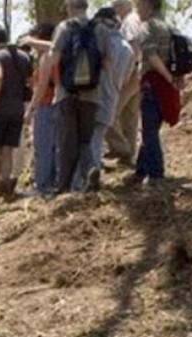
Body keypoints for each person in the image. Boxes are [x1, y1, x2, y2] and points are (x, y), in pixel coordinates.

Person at [50, 0, 111, 193]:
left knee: (67, 141)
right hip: (91, 94)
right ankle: (91, 171)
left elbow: (54, 59)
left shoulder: (64, 27)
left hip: (67, 94)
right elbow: (107, 64)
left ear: (69, 7)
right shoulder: (101, 29)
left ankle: (64, 187)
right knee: (85, 139)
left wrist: (60, 85)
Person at [80, 8, 136, 190]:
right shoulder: (128, 49)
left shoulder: (95, 41)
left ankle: (86, 175)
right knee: (97, 136)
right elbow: (127, 79)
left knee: (86, 138)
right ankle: (92, 171)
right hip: (112, 97)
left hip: (89, 95)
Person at [131, 0, 178, 185]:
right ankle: (140, 171)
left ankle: (156, 174)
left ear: (147, 5)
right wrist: (174, 78)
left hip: (154, 83)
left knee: (149, 132)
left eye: (138, 6)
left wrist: (167, 77)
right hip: (167, 85)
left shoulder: (148, 27)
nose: (137, 11)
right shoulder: (169, 25)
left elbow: (151, 56)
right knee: (152, 130)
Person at [0, 25, 34, 198]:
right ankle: (6, 180)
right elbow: (30, 82)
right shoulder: (24, 56)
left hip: (0, 107)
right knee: (8, 148)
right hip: (17, 107)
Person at [105, 0, 144, 165]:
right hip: (140, 73)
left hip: (133, 73)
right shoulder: (137, 19)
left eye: (116, 7)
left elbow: (134, 47)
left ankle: (122, 149)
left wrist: (126, 75)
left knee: (108, 113)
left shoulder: (130, 21)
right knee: (129, 115)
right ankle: (128, 156)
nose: (115, 11)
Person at [24, 23, 60, 196]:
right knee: (55, 147)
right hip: (60, 105)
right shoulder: (60, 55)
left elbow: (42, 86)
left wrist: (31, 109)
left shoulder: (46, 57)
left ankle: (43, 185)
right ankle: (54, 182)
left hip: (46, 105)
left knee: (43, 147)